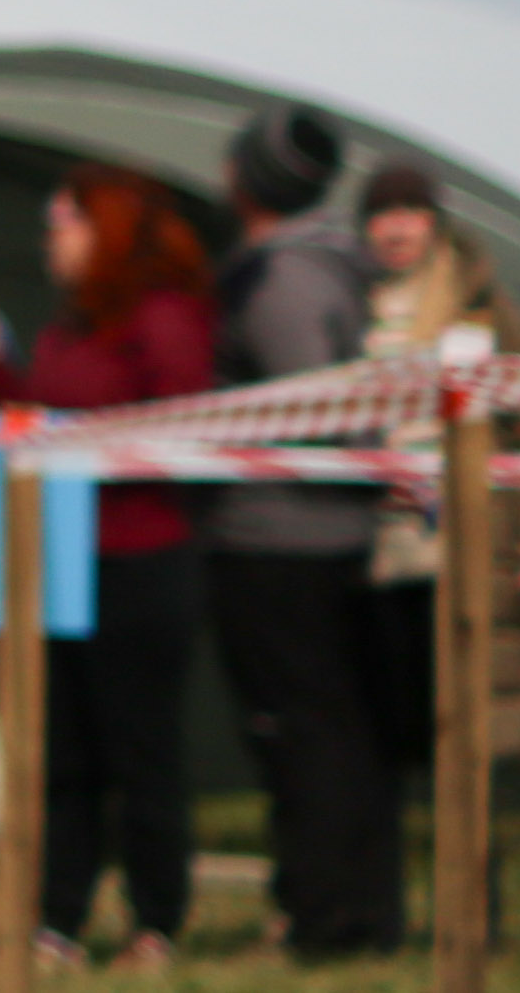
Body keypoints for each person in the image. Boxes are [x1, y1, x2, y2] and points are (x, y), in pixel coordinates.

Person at [203, 106, 391, 963]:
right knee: (336, 731)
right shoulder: (332, 266)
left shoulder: (280, 279)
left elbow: (312, 407)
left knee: (304, 734)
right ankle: (346, 910)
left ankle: (323, 919)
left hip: (282, 539)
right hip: (330, 531)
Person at [17, 166, 213, 969]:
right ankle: (58, 920)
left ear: (108, 229)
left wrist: (84, 441)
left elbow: (180, 426)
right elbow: (35, 420)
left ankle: (154, 921)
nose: (50, 238)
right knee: (66, 753)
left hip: (142, 560)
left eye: (64, 221)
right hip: (66, 560)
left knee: (143, 753)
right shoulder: (67, 327)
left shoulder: (164, 317)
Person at [353, 159, 520, 787]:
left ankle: (473, 866)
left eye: (409, 214)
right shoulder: (350, 305)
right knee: (393, 711)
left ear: (433, 223)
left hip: (471, 535)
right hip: (377, 544)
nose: (395, 230)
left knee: (470, 713)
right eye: (381, 216)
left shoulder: (485, 310)